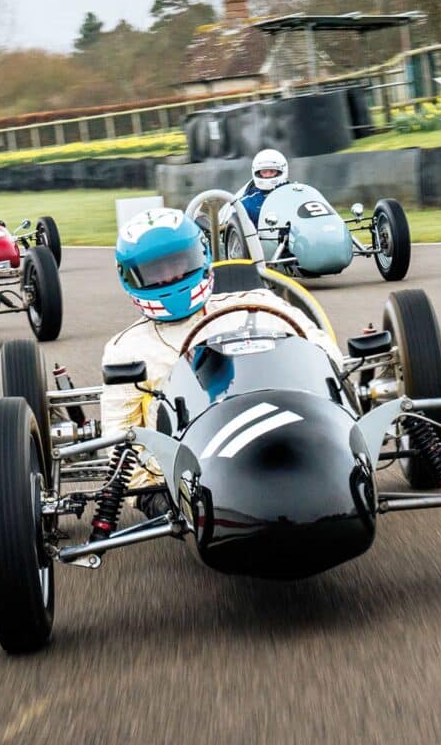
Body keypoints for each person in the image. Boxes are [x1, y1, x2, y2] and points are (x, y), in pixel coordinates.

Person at [95, 207, 340, 531]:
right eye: (154, 271)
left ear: (201, 256)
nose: (170, 278)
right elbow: (121, 438)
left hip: (297, 430)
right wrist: (149, 496)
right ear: (131, 278)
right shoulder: (125, 349)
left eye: (178, 264)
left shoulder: (259, 303)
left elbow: (325, 357)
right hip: (197, 468)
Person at [234, 148, 291, 225]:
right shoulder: (246, 202)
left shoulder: (293, 194)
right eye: (264, 172)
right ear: (258, 173)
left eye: (272, 171)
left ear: (281, 171)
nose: (268, 175)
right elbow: (235, 225)